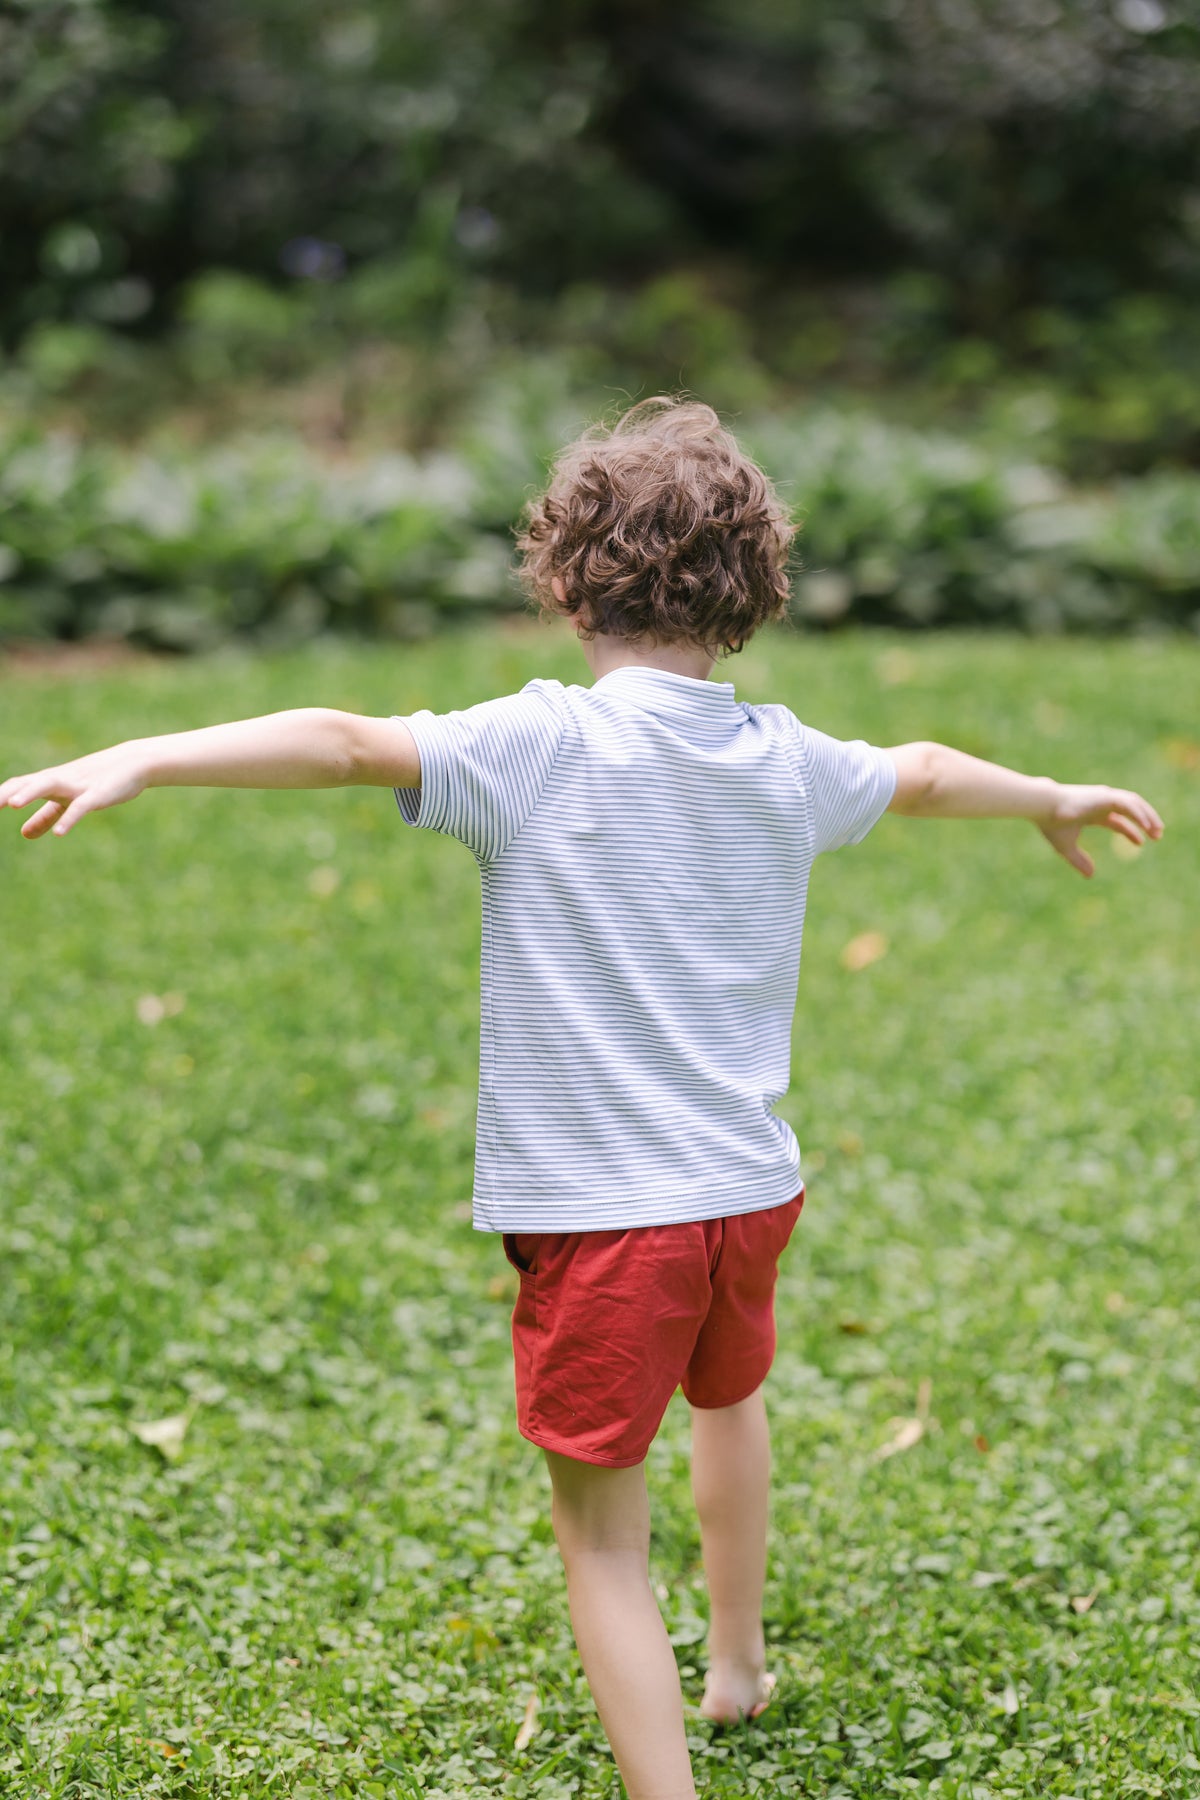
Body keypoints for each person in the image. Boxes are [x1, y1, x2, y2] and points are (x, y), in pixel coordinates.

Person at [0, 399, 1163, 1800]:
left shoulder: (538, 746)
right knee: (731, 1403)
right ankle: (734, 1667)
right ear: (752, 595)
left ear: (566, 581)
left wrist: (144, 755)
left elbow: (344, 740)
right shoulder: (783, 756)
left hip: (608, 1220)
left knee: (601, 1539)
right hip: (748, 1192)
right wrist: (1050, 792)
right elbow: (917, 772)